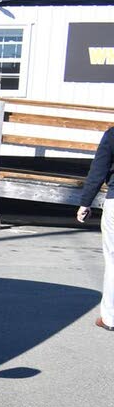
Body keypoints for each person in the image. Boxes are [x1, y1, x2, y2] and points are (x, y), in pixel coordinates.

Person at [77, 126, 114, 331]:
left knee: (113, 259)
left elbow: (98, 171)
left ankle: (110, 318)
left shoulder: (112, 134)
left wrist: (85, 203)